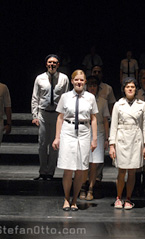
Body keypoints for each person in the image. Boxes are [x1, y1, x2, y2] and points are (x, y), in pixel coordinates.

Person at [52, 70, 98, 210]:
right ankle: (66, 198)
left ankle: (74, 201)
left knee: (80, 169)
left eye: (82, 80)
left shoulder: (90, 97)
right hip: (68, 130)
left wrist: (94, 138)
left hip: (84, 132)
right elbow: (60, 118)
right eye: (76, 80)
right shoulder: (65, 97)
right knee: (68, 168)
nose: (79, 82)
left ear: (85, 82)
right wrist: (57, 137)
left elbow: (94, 119)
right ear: (72, 81)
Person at [109, 77, 145, 210]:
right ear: (124, 89)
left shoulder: (142, 105)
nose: (130, 89)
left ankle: (128, 198)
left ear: (136, 89)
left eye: (132, 87)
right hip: (122, 138)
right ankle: (118, 197)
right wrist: (112, 145)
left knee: (132, 171)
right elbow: (113, 125)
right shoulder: (118, 104)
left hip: (136, 139)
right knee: (121, 171)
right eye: (127, 87)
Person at [31, 54, 69, 181]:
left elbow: (66, 98)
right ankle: (42, 171)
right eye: (50, 62)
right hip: (43, 114)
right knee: (42, 144)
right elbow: (35, 97)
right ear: (46, 64)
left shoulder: (64, 78)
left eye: (54, 62)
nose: (52, 64)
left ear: (58, 65)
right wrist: (34, 115)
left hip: (57, 115)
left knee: (54, 145)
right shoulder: (39, 78)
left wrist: (65, 116)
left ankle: (50, 172)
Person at [80, 76, 109, 201]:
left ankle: (91, 188)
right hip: (85, 131)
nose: (92, 88)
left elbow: (105, 120)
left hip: (99, 133)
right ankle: (82, 186)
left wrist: (107, 138)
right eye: (90, 85)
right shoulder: (82, 99)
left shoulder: (102, 101)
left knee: (94, 164)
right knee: (84, 162)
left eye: (94, 86)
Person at [91, 65, 116, 183]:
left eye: (99, 72)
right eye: (94, 71)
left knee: (98, 157)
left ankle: (97, 181)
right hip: (88, 127)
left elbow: (111, 106)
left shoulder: (107, 89)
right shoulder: (85, 94)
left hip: (102, 122)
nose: (96, 73)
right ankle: (86, 182)